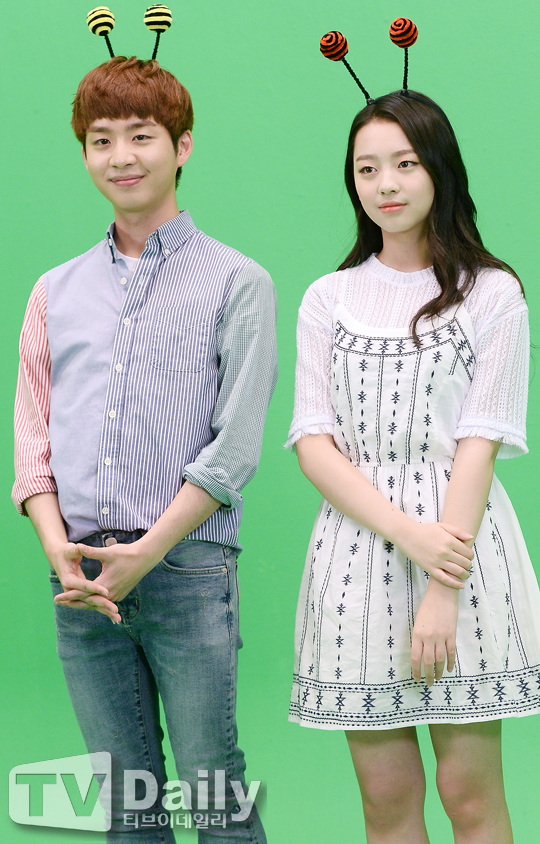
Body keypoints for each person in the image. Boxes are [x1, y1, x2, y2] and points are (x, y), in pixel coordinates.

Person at [12, 55, 277, 843]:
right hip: (80, 573)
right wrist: (58, 549)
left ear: (182, 145)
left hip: (188, 568)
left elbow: (234, 447)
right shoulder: (53, 290)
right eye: (101, 140)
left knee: (212, 785)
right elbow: (32, 437)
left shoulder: (237, 281)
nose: (121, 156)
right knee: (123, 797)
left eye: (141, 135)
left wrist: (148, 552)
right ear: (84, 153)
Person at [287, 89, 540, 843]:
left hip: (463, 553)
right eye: (367, 169)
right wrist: (408, 534)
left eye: (404, 164)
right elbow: (313, 443)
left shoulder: (493, 294)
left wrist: (442, 584)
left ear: (439, 169)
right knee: (386, 800)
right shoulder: (327, 298)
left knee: (470, 796)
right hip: (357, 553)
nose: (385, 184)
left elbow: (479, 442)